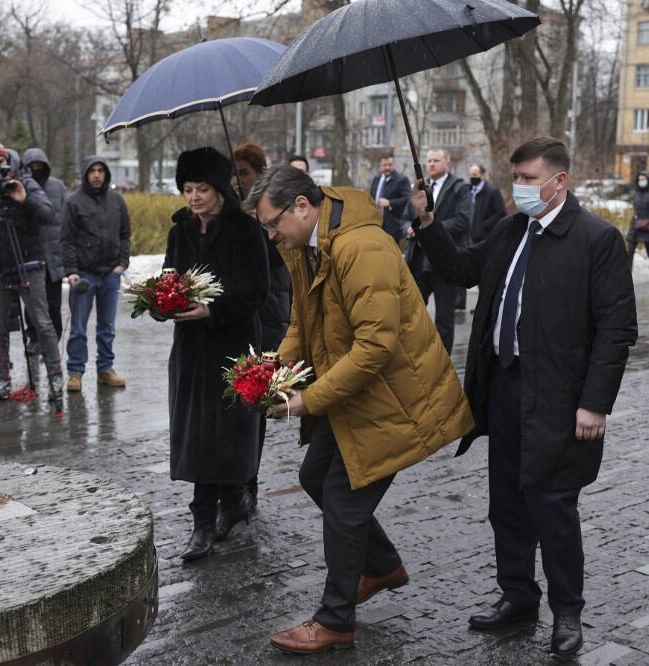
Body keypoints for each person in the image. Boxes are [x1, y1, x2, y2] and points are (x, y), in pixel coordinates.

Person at [409, 137, 637, 659]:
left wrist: (595, 403)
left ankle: (567, 613)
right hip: (504, 389)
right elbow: (464, 271)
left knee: (553, 505)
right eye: (516, 179)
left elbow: (618, 328)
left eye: (530, 179)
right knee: (507, 504)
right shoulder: (511, 229)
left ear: (559, 181)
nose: (521, 188)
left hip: (560, 399)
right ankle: (517, 595)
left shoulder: (596, 240)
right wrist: (427, 223)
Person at [246, 165, 474, 655]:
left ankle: (335, 621)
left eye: (272, 223)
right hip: (356, 392)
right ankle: (382, 564)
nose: (270, 235)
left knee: (344, 502)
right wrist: (271, 371)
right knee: (315, 478)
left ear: (302, 207)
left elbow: (375, 347)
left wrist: (308, 399)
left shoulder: (360, 246)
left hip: (393, 396)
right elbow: (301, 326)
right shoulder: (306, 245)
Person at [165, 146, 269, 562]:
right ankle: (204, 521)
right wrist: (162, 302)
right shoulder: (180, 233)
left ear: (221, 187)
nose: (194, 197)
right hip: (191, 348)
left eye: (202, 189)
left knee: (228, 431)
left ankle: (231, 503)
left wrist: (214, 308)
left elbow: (257, 291)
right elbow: (171, 281)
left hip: (233, 343)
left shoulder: (246, 231)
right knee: (197, 433)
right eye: (187, 189)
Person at [0, 134, 63, 403]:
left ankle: (55, 378)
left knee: (42, 323)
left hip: (28, 265)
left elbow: (48, 215)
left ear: (8, 162)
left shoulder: (24, 183)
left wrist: (23, 199)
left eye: (0, 161)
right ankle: (1, 381)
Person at [233, 142, 292, 514]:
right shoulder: (235, 214)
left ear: (260, 172)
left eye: (245, 173)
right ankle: (234, 480)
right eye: (234, 173)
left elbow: (280, 255)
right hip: (243, 315)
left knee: (255, 400)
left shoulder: (270, 211)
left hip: (269, 313)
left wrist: (255, 224)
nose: (238, 180)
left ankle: (248, 481)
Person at [61, 156, 131, 392]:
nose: (97, 175)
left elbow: (125, 234)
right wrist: (71, 271)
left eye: (101, 170)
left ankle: (105, 370)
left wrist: (122, 263)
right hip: (84, 275)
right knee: (78, 327)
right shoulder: (74, 203)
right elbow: (67, 241)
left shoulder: (117, 201)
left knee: (107, 327)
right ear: (86, 173)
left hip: (111, 273)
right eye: (93, 170)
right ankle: (75, 372)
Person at [404, 148, 471, 353]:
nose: (431, 164)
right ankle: (414, 359)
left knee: (444, 319)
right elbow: (408, 216)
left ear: (447, 163)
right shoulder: (420, 189)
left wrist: (431, 226)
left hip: (444, 262)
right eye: (429, 160)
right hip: (419, 261)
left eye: (436, 160)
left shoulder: (459, 188)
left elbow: (463, 220)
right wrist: (411, 227)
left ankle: (443, 366)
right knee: (410, 315)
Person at [23, 147, 68, 339]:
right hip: (32, 257)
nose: (36, 170)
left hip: (54, 258)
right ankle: (34, 338)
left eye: (39, 166)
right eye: (32, 166)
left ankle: (54, 340)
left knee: (54, 304)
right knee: (32, 305)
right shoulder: (21, 187)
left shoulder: (58, 187)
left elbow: (66, 221)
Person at [368, 155, 411, 243]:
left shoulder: (402, 180)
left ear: (393, 165)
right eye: (384, 165)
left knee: (392, 253)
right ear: (380, 166)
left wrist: (390, 203)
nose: (387, 167)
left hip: (393, 226)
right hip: (376, 223)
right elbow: (371, 196)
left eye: (389, 165)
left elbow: (408, 199)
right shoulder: (376, 179)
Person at [468, 163, 507, 245]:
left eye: (475, 174)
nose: (472, 177)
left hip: (485, 237)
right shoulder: (468, 191)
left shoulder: (492, 191)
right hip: (469, 237)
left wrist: (483, 226)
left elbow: (500, 213)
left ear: (482, 175)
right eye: (470, 175)